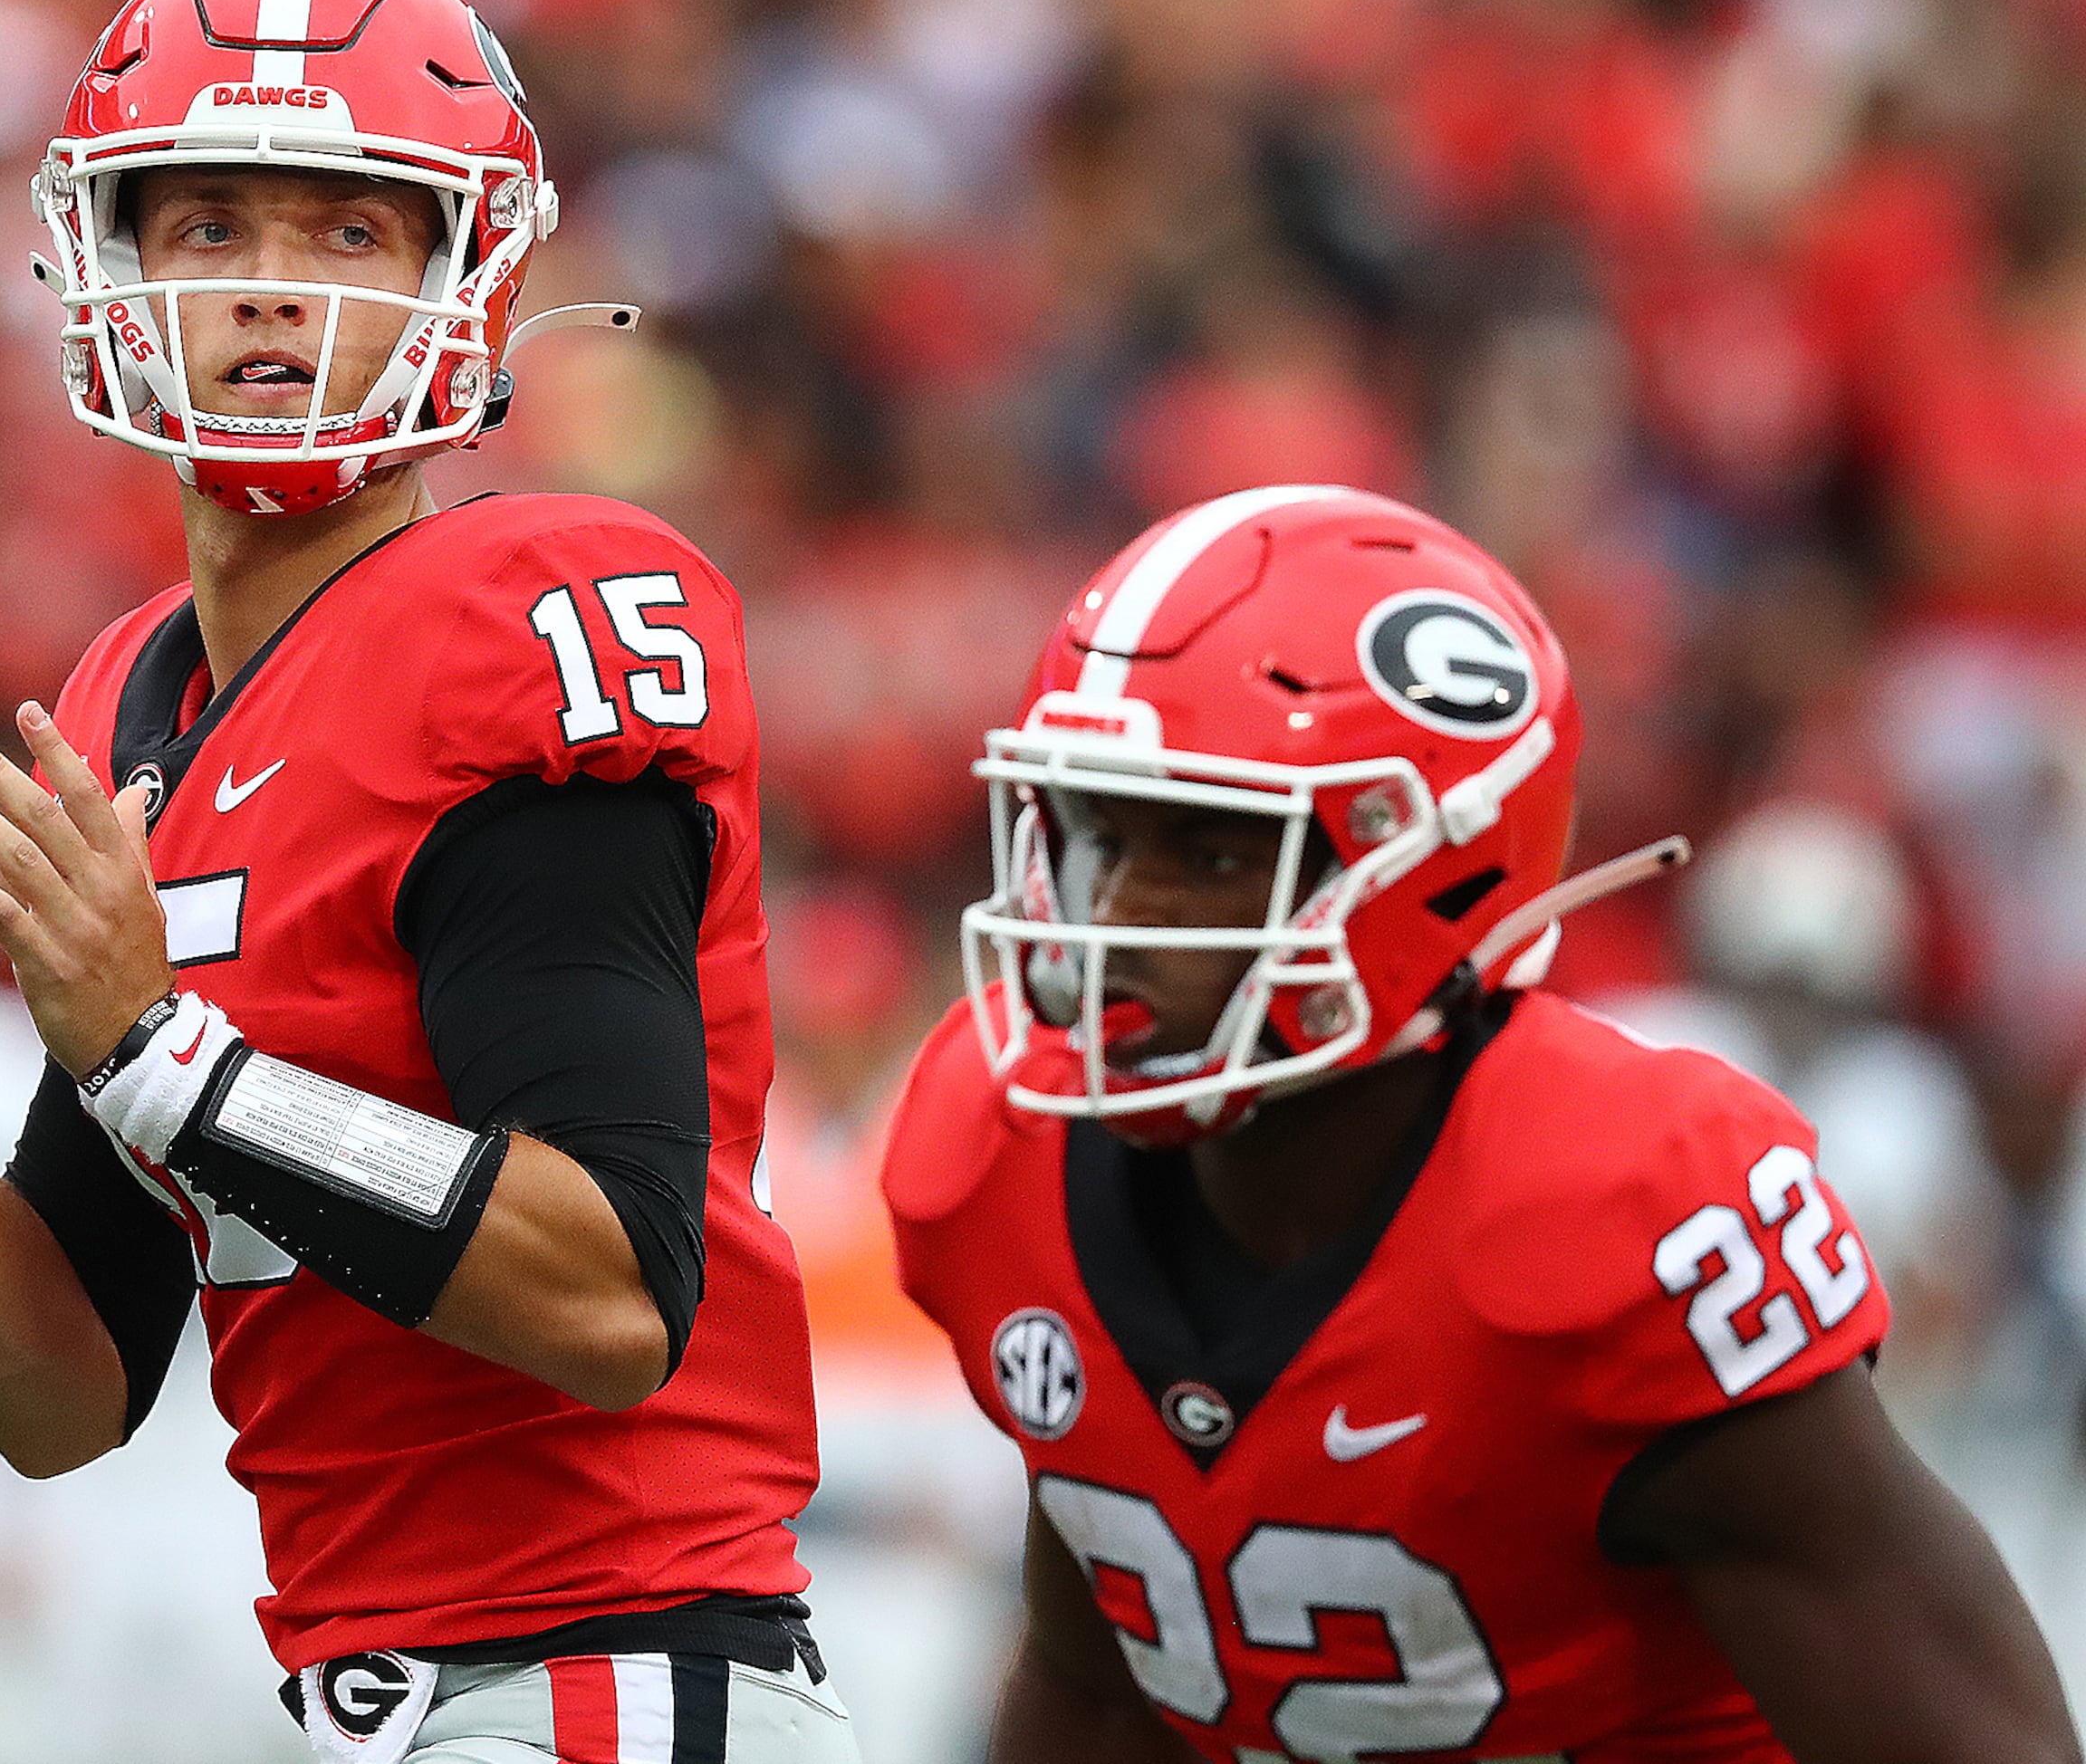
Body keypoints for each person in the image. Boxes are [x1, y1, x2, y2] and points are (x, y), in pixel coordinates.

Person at [0, 0, 849, 1763]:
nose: (275, 292)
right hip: (382, 1698)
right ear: (111, 264)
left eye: (348, 229)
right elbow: (62, 1384)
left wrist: (156, 1054)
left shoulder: (540, 609)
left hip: (615, 1678)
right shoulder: (140, 693)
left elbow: (615, 1292)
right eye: (209, 225)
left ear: (470, 269)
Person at [880, 484, 2080, 1762]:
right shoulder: (998, 1149)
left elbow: (1978, 1744)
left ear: (1425, 870)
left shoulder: (1616, 1218)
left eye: (1212, 852)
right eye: (1097, 833)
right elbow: (1106, 1680)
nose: (1114, 917)